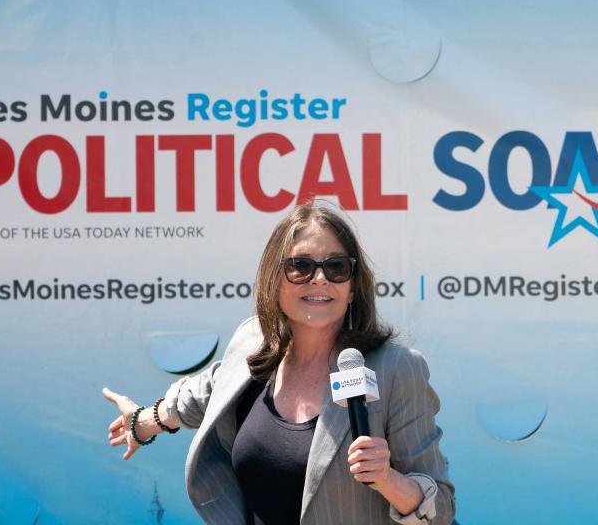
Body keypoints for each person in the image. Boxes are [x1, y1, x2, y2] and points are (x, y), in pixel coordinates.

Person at [103, 203, 455, 524]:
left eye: (336, 267)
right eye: (300, 266)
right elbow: (207, 392)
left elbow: (441, 512)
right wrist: (144, 422)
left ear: (352, 288)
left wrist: (389, 480)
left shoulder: (396, 369)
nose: (319, 278)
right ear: (273, 281)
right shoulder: (253, 345)